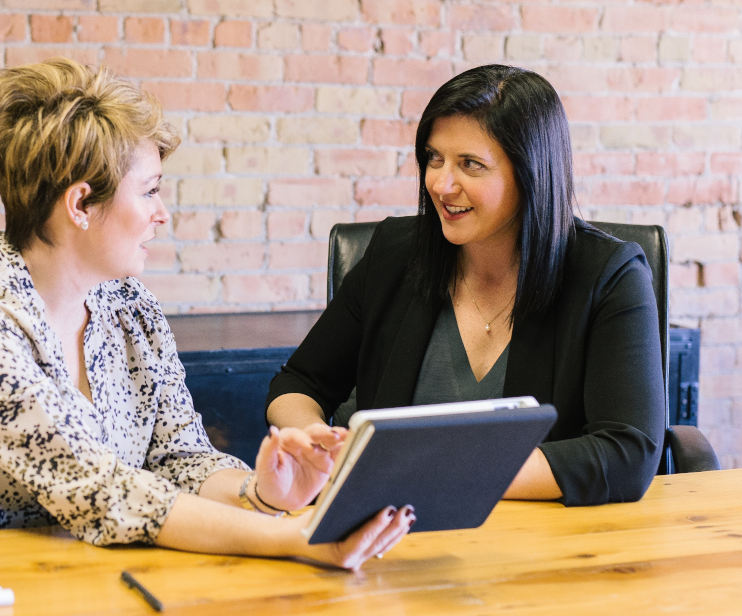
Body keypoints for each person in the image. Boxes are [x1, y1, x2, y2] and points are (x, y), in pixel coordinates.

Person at [0, 58, 413, 570]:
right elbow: (100, 491)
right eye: (149, 191)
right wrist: (296, 538)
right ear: (80, 205)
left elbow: (180, 457)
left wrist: (262, 494)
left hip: (70, 576)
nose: (162, 214)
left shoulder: (128, 305)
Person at [266, 64, 665, 507]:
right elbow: (298, 383)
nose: (441, 183)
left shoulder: (609, 275)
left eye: (470, 165)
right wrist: (312, 441)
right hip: (390, 536)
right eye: (434, 158)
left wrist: (432, 473)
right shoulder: (395, 254)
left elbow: (627, 452)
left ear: (530, 172)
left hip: (543, 543)